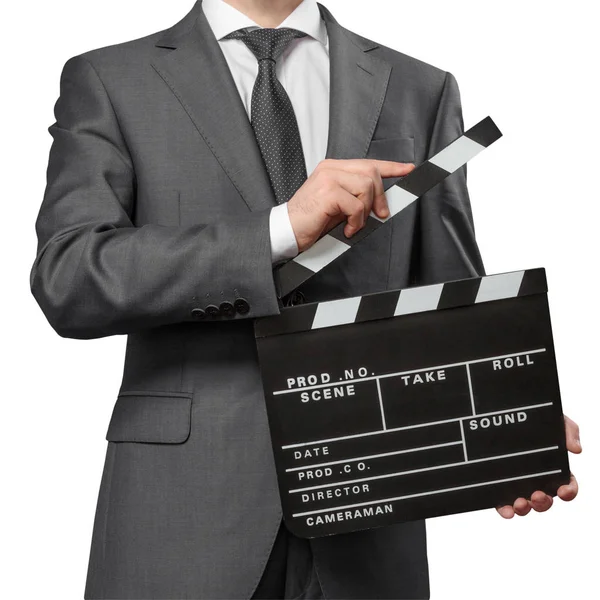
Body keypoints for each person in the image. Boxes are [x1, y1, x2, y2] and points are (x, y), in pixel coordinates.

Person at [30, 0, 581, 598]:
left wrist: (506, 422)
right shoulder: (111, 78)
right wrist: (280, 229)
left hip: (372, 511)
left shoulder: (422, 86)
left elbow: (449, 292)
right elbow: (70, 278)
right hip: (183, 511)